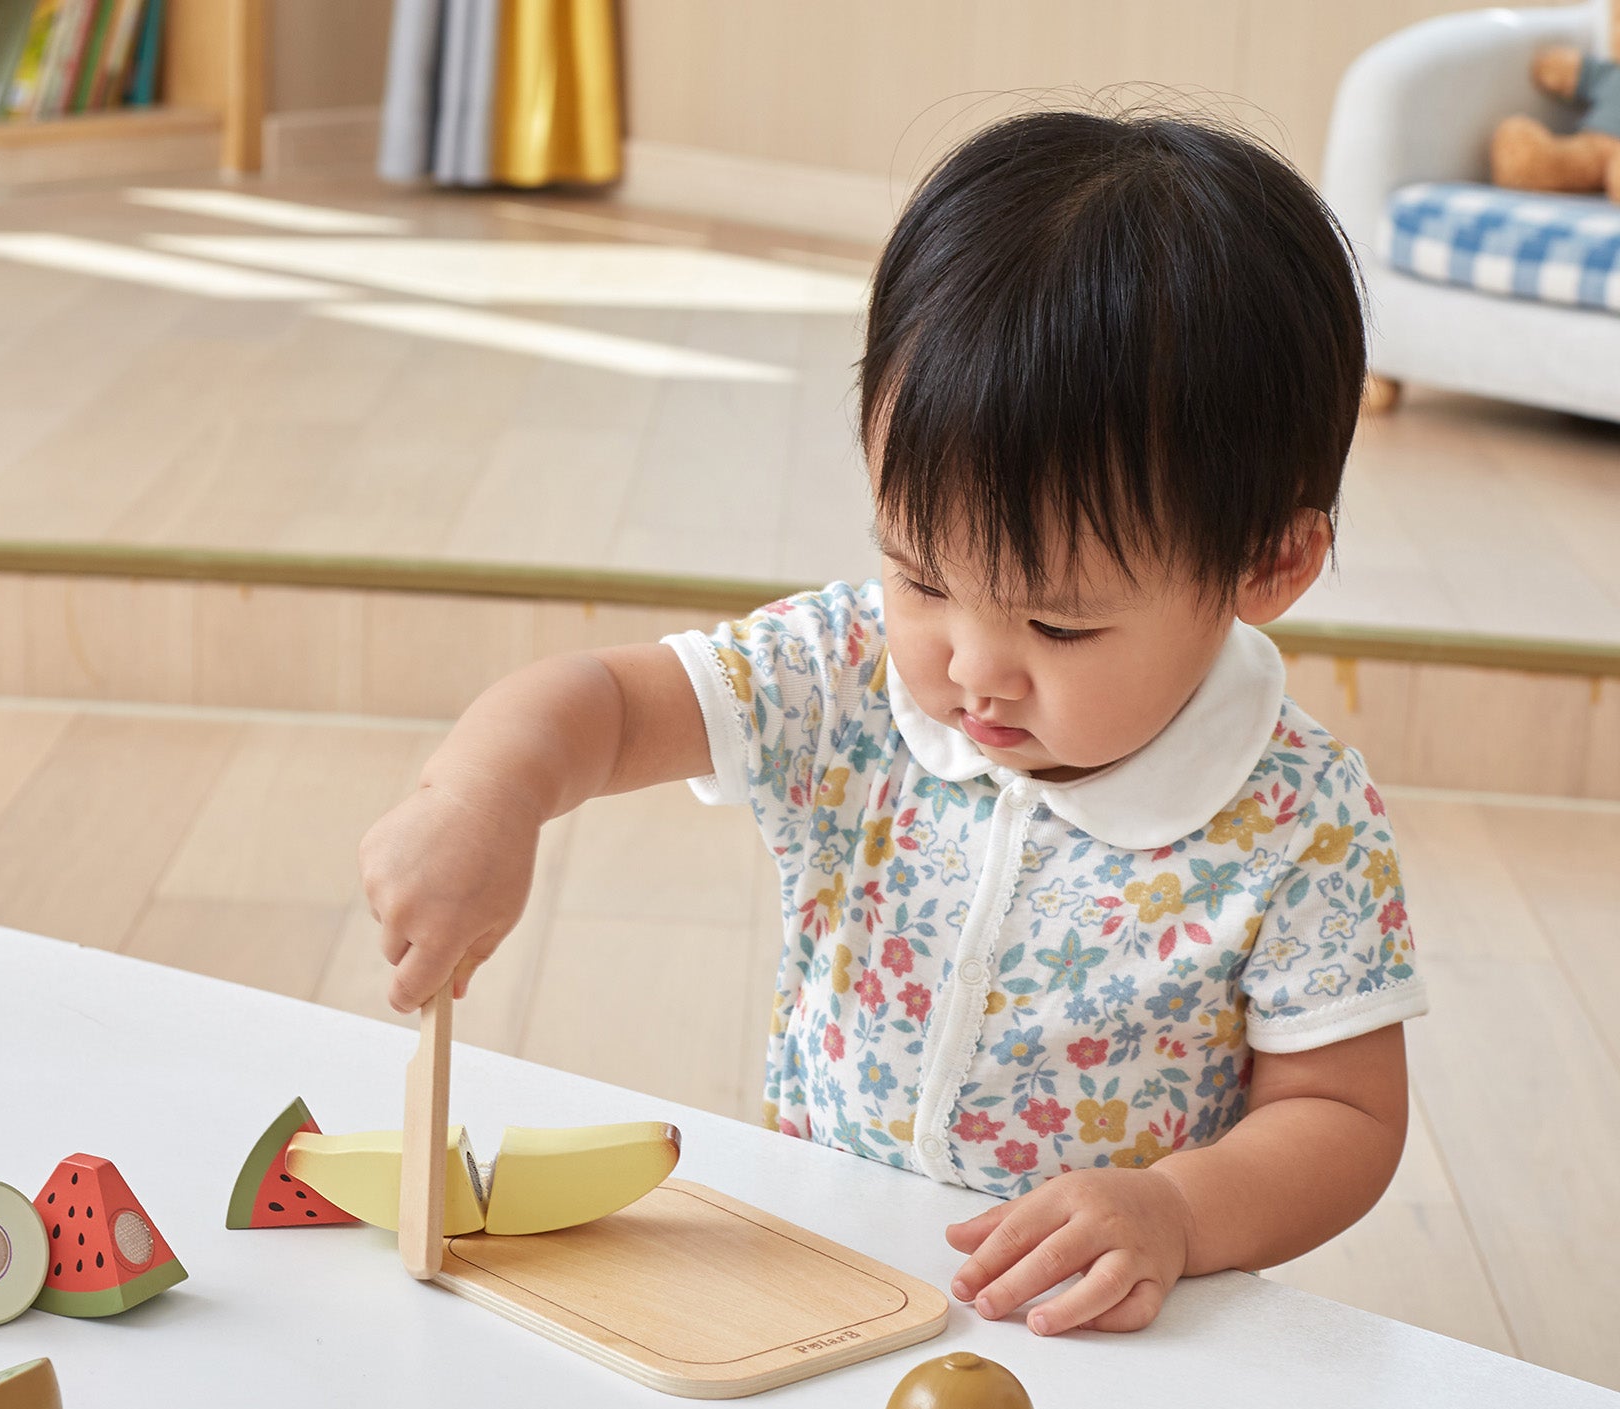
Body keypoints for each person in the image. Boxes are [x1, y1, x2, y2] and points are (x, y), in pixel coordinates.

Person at [358, 110, 1426, 1337]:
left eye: (1059, 630)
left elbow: (1342, 1118)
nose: (973, 668)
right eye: (922, 577)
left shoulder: (1300, 818)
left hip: (1103, 1319)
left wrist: (1177, 1213)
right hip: (812, 1264)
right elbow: (604, 704)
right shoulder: (846, 671)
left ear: (1270, 562)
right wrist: (479, 796)